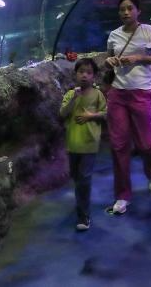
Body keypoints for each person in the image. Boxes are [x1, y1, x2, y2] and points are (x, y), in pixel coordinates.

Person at [103, 0, 151, 215]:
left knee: (145, 145)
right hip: (118, 94)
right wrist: (109, 61)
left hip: (141, 92)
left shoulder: (148, 31)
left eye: (130, 8)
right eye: (122, 9)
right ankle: (122, 195)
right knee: (119, 145)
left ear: (138, 10)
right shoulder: (113, 35)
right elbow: (108, 61)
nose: (126, 12)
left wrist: (138, 58)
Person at [59, 57, 107, 231]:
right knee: (76, 178)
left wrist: (91, 116)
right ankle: (81, 204)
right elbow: (62, 114)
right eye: (81, 72)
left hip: (89, 143)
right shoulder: (70, 94)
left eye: (89, 73)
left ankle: (84, 216)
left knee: (84, 180)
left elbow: (106, 113)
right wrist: (74, 98)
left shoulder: (98, 95)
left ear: (94, 76)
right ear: (76, 74)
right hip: (73, 144)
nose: (84, 76)